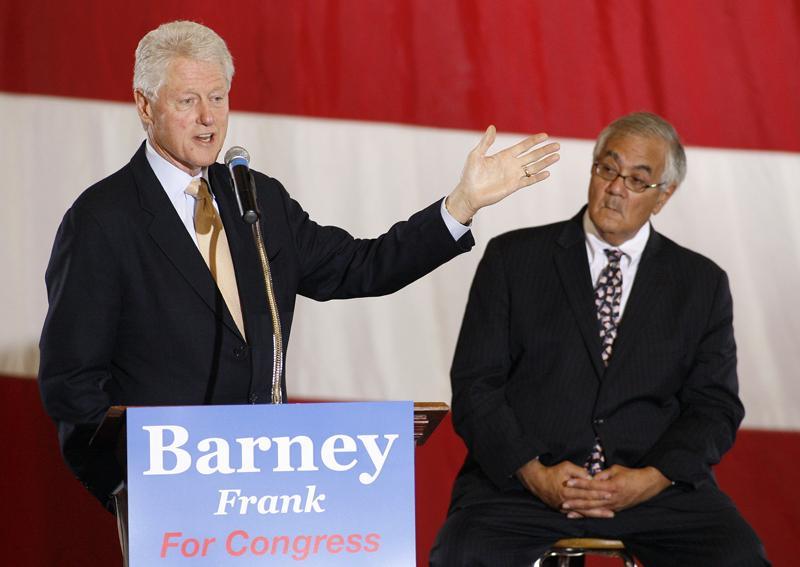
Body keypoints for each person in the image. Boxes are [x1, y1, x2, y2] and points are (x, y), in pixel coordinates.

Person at [37, 20, 559, 511]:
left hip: (273, 485)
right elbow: (71, 384)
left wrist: (461, 204)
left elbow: (362, 266)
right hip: (169, 495)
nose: (208, 118)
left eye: (218, 98)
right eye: (188, 101)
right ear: (144, 106)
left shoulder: (255, 200)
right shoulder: (102, 219)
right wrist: (130, 491)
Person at [430, 112, 769, 566]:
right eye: (607, 169)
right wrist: (534, 473)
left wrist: (650, 478)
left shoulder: (700, 283)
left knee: (737, 556)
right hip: (522, 487)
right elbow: (476, 386)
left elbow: (715, 406)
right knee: (463, 554)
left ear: (663, 195)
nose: (615, 187)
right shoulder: (513, 259)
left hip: (652, 492)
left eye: (637, 179)